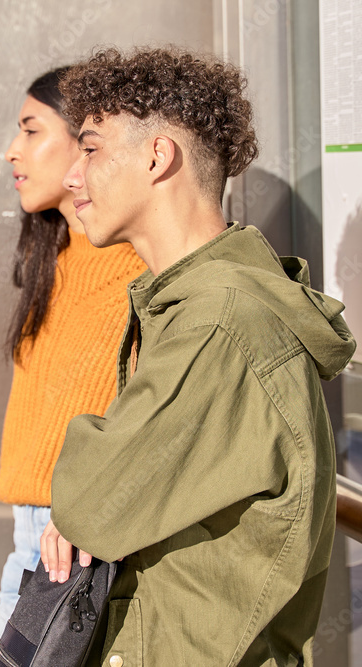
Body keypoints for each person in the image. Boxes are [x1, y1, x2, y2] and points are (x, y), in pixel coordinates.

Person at [40, 47, 356, 664]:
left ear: (158, 156)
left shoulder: (219, 322)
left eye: (92, 148)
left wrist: (82, 505)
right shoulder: (193, 305)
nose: (72, 175)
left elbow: (90, 499)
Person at [0, 68, 146, 667]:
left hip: (79, 545)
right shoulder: (55, 259)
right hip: (34, 542)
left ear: (87, 143)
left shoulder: (139, 273)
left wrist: (79, 514)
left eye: (31, 130)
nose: (12, 151)